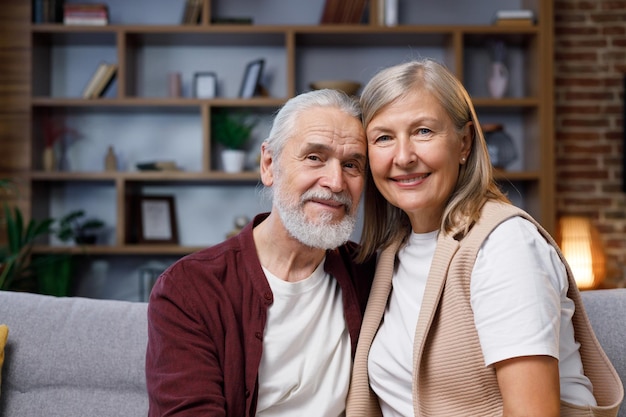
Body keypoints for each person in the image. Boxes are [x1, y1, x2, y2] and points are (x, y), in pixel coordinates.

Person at [346, 58, 623, 417]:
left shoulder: (505, 246)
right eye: (383, 138)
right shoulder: (392, 252)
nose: (404, 156)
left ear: (464, 144)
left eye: (423, 132)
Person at [145, 88, 376, 417]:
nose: (336, 182)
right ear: (269, 164)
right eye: (314, 157)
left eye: (352, 164)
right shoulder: (189, 289)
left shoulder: (371, 276)